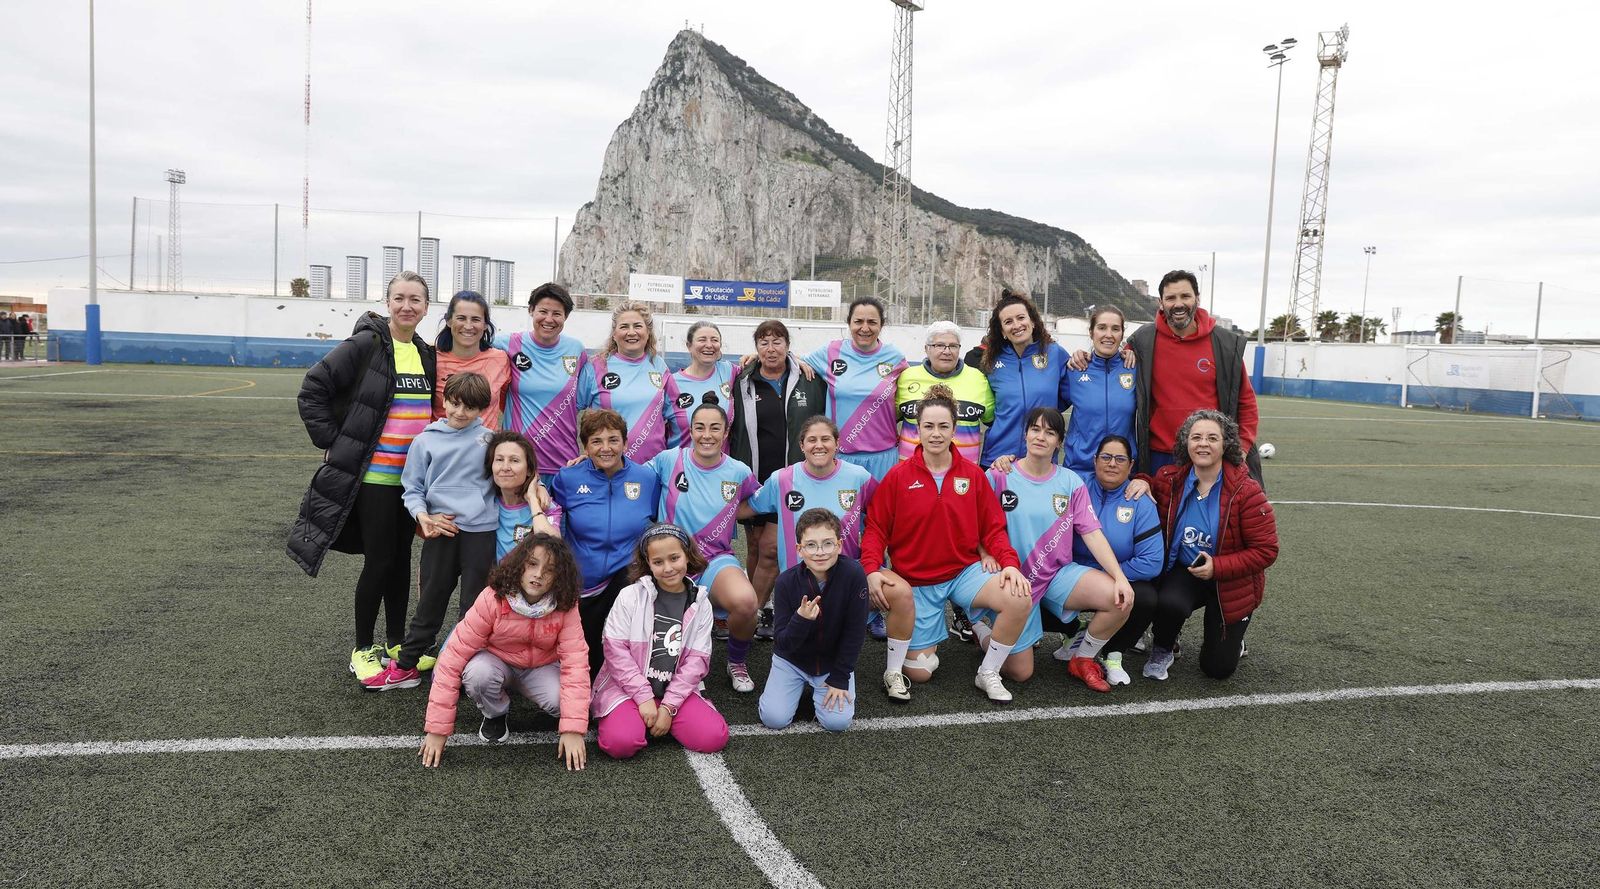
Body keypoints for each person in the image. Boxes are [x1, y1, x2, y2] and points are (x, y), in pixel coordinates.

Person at [288, 271, 436, 683]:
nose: (407, 306)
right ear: (387, 302)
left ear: (427, 307)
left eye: (416, 300)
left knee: (400, 563)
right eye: (400, 298)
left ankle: (395, 645)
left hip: (411, 484)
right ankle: (362, 648)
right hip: (373, 480)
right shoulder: (368, 343)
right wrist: (334, 441)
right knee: (379, 560)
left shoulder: (424, 352)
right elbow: (313, 387)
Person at [859, 384, 1033, 703]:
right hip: (918, 582)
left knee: (1019, 597)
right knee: (920, 673)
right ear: (917, 429)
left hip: (963, 574)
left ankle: (987, 672)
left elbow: (993, 529)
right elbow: (875, 530)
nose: (936, 434)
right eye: (928, 426)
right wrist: (871, 568)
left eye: (943, 426)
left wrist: (1009, 563)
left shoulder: (973, 475)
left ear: (954, 429)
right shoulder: (897, 477)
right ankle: (971, 625)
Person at [980, 409, 1136, 692]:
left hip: (1055, 576)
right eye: (1035, 429)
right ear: (1025, 434)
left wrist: (1119, 577)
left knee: (1119, 599)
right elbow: (977, 521)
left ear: (1059, 443)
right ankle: (981, 630)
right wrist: (985, 553)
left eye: (1050, 432)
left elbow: (1091, 533)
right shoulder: (999, 474)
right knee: (1020, 673)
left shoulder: (1070, 481)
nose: (1041, 437)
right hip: (1012, 580)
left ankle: (1083, 657)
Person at [364, 371, 499, 690]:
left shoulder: (492, 441)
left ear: (481, 409)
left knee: (474, 605)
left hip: (481, 532)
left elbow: (508, 480)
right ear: (444, 400)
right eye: (454, 403)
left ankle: (468, 670)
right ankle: (407, 665)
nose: (460, 412)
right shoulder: (425, 440)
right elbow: (411, 488)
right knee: (431, 601)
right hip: (440, 531)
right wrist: (422, 517)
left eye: (469, 407)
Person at [418, 533, 590, 769]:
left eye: (549, 570)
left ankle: (522, 693)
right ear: (520, 564)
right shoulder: (493, 598)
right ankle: (495, 713)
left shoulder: (565, 604)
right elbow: (452, 658)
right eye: (532, 564)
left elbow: (576, 661)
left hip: (540, 667)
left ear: (559, 577)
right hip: (497, 661)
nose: (538, 574)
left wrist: (573, 729)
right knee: (478, 675)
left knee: (560, 701)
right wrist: (437, 730)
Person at [1130, 409, 1278, 680]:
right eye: (1196, 437)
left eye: (1212, 438)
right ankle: (1163, 647)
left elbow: (1266, 551)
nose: (1203, 443)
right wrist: (1142, 479)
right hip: (1186, 572)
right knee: (1169, 602)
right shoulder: (1171, 478)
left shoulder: (1246, 491)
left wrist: (1217, 567)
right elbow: (1154, 484)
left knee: (1217, 669)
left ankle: (1234, 638)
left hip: (1231, 580)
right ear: (1186, 443)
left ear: (1226, 445)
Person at [648, 393, 761, 692]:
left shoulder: (738, 471)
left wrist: (730, 511)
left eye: (714, 428)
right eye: (699, 427)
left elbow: (755, 502)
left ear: (725, 433)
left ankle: (736, 662)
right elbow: (628, 477)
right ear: (691, 430)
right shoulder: (669, 459)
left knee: (747, 603)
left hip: (715, 559)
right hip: (671, 559)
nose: (706, 435)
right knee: (663, 631)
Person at [592, 524, 730, 759]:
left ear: (687, 555)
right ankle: (632, 716)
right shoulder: (629, 596)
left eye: (674, 558)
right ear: (648, 564)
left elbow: (697, 661)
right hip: (627, 689)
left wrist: (669, 706)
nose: (668, 568)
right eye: (658, 562)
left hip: (674, 690)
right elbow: (615, 652)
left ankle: (661, 716)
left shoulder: (701, 602)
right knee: (621, 743)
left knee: (713, 738)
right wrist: (644, 697)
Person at [547, 408, 662, 676]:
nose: (606, 448)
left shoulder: (646, 478)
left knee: (625, 652)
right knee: (587, 660)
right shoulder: (568, 478)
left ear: (625, 442)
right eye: (596, 441)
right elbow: (550, 515)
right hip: (583, 584)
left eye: (613, 440)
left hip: (627, 580)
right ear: (585, 446)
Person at [730, 320, 828, 631]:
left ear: (788, 345)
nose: (771, 348)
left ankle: (755, 610)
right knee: (755, 544)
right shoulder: (742, 378)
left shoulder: (809, 380)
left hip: (790, 480)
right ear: (755, 348)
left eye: (777, 341)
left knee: (773, 546)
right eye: (764, 342)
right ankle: (764, 602)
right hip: (753, 475)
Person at [1126, 270, 1262, 479]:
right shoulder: (1142, 341)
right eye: (1171, 298)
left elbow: (1246, 401)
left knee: (1211, 513)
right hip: (1159, 456)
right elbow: (1110, 363)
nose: (1178, 304)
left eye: (1185, 296)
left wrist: (1241, 449)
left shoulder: (1224, 344)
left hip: (1208, 455)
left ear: (1197, 298)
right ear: (1161, 303)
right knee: (1163, 513)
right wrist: (1084, 357)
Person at [1064, 434, 1163, 685]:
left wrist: (1106, 575)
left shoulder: (1140, 501)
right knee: (1035, 584)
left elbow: (1152, 561)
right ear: (1095, 460)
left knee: (1146, 597)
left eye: (1120, 459)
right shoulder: (1074, 486)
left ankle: (1113, 652)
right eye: (1106, 457)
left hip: (1115, 578)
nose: (1112, 464)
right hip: (1072, 576)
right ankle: (1073, 633)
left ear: (1131, 466)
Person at [758, 509, 869, 732]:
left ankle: (820, 687)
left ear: (839, 545)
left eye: (827, 544)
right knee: (774, 719)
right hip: (793, 662)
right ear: (799, 549)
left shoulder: (854, 574)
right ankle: (790, 688)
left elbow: (855, 632)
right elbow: (782, 643)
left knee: (837, 723)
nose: (820, 552)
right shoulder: (785, 582)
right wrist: (801, 620)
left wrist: (840, 676)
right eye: (811, 545)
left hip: (831, 663)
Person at [803, 296, 908, 481]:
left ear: (881, 325)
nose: (865, 328)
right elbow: (792, 361)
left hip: (883, 457)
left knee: (882, 511)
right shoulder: (831, 352)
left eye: (872, 322)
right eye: (858, 321)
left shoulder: (895, 358)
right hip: (842, 457)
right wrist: (757, 357)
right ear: (849, 323)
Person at [500, 283, 589, 488]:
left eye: (557, 313)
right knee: (520, 520)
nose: (549, 319)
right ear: (531, 310)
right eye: (543, 311)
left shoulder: (576, 349)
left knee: (559, 520)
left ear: (565, 317)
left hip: (564, 462)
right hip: (518, 461)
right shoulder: (507, 344)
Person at [578, 300, 688, 466]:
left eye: (637, 326)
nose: (631, 332)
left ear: (648, 332)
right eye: (624, 327)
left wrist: (675, 459)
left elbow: (677, 417)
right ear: (614, 334)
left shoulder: (658, 365)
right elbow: (570, 414)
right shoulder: (596, 367)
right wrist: (583, 451)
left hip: (652, 468)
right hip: (606, 468)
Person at [971, 290, 1072, 470]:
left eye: (1021, 318)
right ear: (1002, 331)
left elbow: (1069, 394)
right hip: (997, 457)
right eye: (1008, 322)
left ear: (1032, 321)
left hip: (1041, 458)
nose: (1016, 325)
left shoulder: (1055, 353)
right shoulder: (992, 361)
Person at [896, 321, 994, 464]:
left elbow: (995, 423)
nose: (947, 351)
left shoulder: (978, 379)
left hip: (962, 479)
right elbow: (887, 421)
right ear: (926, 349)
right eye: (939, 345)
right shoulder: (906, 377)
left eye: (953, 346)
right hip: (911, 475)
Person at [1060, 306, 1138, 473]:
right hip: (1080, 469)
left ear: (1122, 334)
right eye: (1102, 328)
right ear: (1091, 332)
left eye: (1115, 329)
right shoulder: (1075, 369)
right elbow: (1049, 404)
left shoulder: (1134, 369)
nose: (1108, 334)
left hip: (1121, 472)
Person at [434, 290, 511, 430]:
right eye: (461, 318)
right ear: (449, 321)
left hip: (484, 448)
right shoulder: (432, 360)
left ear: (485, 324)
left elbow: (511, 404)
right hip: (441, 449)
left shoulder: (500, 360)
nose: (468, 326)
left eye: (475, 319)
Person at [487, 430, 558, 562]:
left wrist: (532, 499)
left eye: (514, 460)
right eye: (499, 459)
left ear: (529, 470)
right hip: (494, 581)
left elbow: (553, 545)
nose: (505, 467)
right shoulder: (487, 501)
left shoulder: (545, 504)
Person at [673, 321, 740, 448]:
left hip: (719, 465)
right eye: (702, 340)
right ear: (689, 345)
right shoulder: (671, 383)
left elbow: (759, 369)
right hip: (681, 465)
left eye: (714, 340)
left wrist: (753, 357)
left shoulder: (729, 371)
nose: (709, 345)